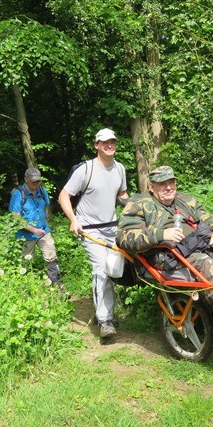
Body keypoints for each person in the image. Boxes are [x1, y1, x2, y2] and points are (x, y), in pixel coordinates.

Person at [117, 165, 213, 338]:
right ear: (151, 187)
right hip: (166, 256)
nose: (168, 187)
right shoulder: (139, 204)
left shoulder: (185, 200)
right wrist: (160, 234)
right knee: (206, 263)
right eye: (162, 184)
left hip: (196, 245)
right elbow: (125, 238)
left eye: (171, 182)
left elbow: (208, 218)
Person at [59, 128, 128, 340]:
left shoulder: (120, 169)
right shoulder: (85, 170)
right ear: (96, 145)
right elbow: (64, 195)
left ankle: (105, 310)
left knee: (117, 269)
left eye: (113, 142)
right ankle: (105, 321)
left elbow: (122, 194)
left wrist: (134, 208)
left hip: (112, 227)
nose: (110, 145)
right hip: (89, 229)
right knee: (101, 268)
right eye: (105, 142)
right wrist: (74, 219)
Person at [10, 167, 65, 292]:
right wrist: (33, 230)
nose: (36, 184)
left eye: (38, 181)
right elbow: (15, 217)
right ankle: (26, 289)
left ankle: (57, 286)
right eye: (33, 181)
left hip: (44, 230)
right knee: (26, 261)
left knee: (51, 254)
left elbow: (46, 204)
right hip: (26, 234)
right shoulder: (18, 193)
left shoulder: (41, 190)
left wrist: (45, 219)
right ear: (26, 179)